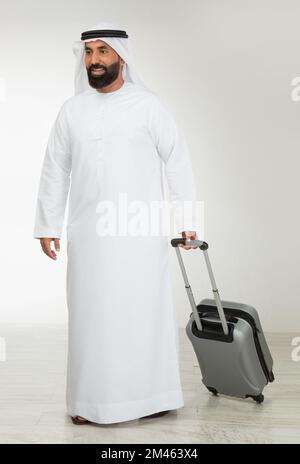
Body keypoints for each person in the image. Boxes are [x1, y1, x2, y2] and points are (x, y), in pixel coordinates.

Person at [33, 21, 200, 425]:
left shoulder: (149, 105)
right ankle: (92, 404)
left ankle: (155, 396)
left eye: (102, 52)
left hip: (139, 233)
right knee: (93, 318)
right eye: (89, 52)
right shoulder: (71, 111)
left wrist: (187, 220)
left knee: (145, 315)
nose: (94, 60)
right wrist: (47, 225)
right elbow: (55, 170)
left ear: (121, 57)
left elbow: (177, 160)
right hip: (88, 235)